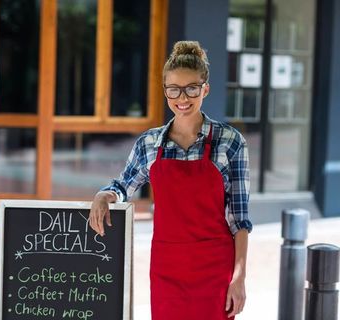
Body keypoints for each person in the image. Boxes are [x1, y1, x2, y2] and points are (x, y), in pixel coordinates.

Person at [89, 40, 252, 320]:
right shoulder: (149, 143)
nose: (183, 97)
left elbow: (240, 221)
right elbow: (123, 186)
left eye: (192, 88)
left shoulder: (231, 142)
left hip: (215, 270)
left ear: (205, 89)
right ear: (165, 91)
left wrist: (238, 278)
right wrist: (104, 195)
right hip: (167, 270)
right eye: (174, 89)